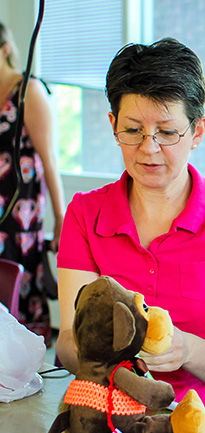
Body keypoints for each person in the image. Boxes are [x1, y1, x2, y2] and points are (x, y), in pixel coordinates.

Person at [55, 38, 205, 429]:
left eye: (167, 132)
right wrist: (103, 358)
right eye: (133, 130)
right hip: (105, 420)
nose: (148, 149)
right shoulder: (86, 214)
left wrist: (185, 349)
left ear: (198, 131)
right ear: (112, 125)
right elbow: (69, 341)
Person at [0, 22, 64, 341]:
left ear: (5, 49)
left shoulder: (28, 91)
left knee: (20, 312)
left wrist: (62, 218)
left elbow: (50, 160)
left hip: (20, 222)